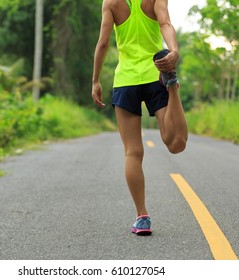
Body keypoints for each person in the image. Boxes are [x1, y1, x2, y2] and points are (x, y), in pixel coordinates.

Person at [91, 0, 188, 235]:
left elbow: (103, 43)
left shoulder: (110, 3)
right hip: (156, 74)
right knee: (175, 144)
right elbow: (165, 23)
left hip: (125, 82)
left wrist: (95, 80)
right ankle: (172, 85)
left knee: (132, 153)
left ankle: (142, 216)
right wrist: (173, 51)